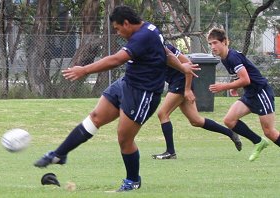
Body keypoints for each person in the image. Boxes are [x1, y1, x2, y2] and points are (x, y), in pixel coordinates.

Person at [34, 5, 198, 192]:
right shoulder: (149, 30)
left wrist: (84, 69)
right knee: (95, 117)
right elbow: (166, 53)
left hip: (143, 92)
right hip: (126, 83)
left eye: (118, 29)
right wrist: (182, 67)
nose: (118, 33)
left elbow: (116, 60)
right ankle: (60, 154)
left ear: (126, 23)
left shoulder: (143, 36)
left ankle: (133, 181)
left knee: (124, 138)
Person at [152, 43, 242, 160]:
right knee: (196, 121)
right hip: (176, 83)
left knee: (162, 114)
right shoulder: (148, 50)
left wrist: (188, 89)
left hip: (181, 82)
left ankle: (170, 152)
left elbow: (189, 65)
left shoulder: (166, 48)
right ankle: (230, 133)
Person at [207, 27, 280, 161]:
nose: (212, 46)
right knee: (229, 120)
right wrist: (234, 86)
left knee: (269, 131)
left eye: (215, 43)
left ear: (224, 42)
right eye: (210, 44)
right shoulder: (225, 58)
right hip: (250, 94)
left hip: (260, 93)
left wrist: (224, 86)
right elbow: (240, 77)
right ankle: (258, 142)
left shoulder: (233, 57)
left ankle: (262, 140)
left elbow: (246, 79)